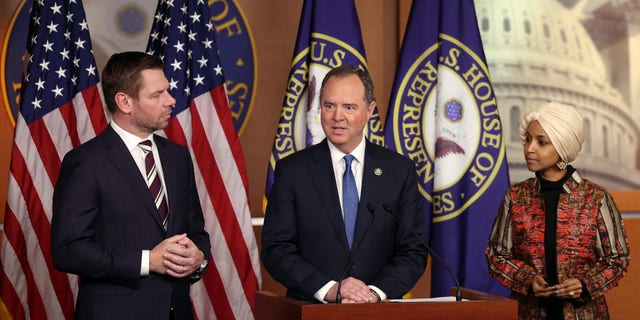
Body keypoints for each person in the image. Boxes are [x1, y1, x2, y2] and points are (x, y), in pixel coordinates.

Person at [51, 51, 210, 320]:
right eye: (156, 95)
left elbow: (196, 232)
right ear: (124, 101)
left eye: (167, 91)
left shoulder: (178, 157)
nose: (171, 101)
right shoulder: (86, 162)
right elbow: (68, 251)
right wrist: (148, 261)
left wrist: (198, 258)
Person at [261, 65, 427, 304]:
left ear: (369, 111)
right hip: (312, 310)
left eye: (349, 107)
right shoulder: (292, 171)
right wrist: (328, 289)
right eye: (329, 106)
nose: (337, 117)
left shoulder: (399, 171)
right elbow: (276, 249)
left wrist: (373, 293)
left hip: (379, 313)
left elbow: (413, 251)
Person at [486, 101, 630, 319]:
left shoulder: (596, 198)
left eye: (541, 142)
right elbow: (497, 255)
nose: (529, 148)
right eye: (528, 139)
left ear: (563, 148)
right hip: (531, 313)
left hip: (585, 314)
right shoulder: (516, 197)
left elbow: (617, 258)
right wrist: (527, 280)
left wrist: (585, 284)